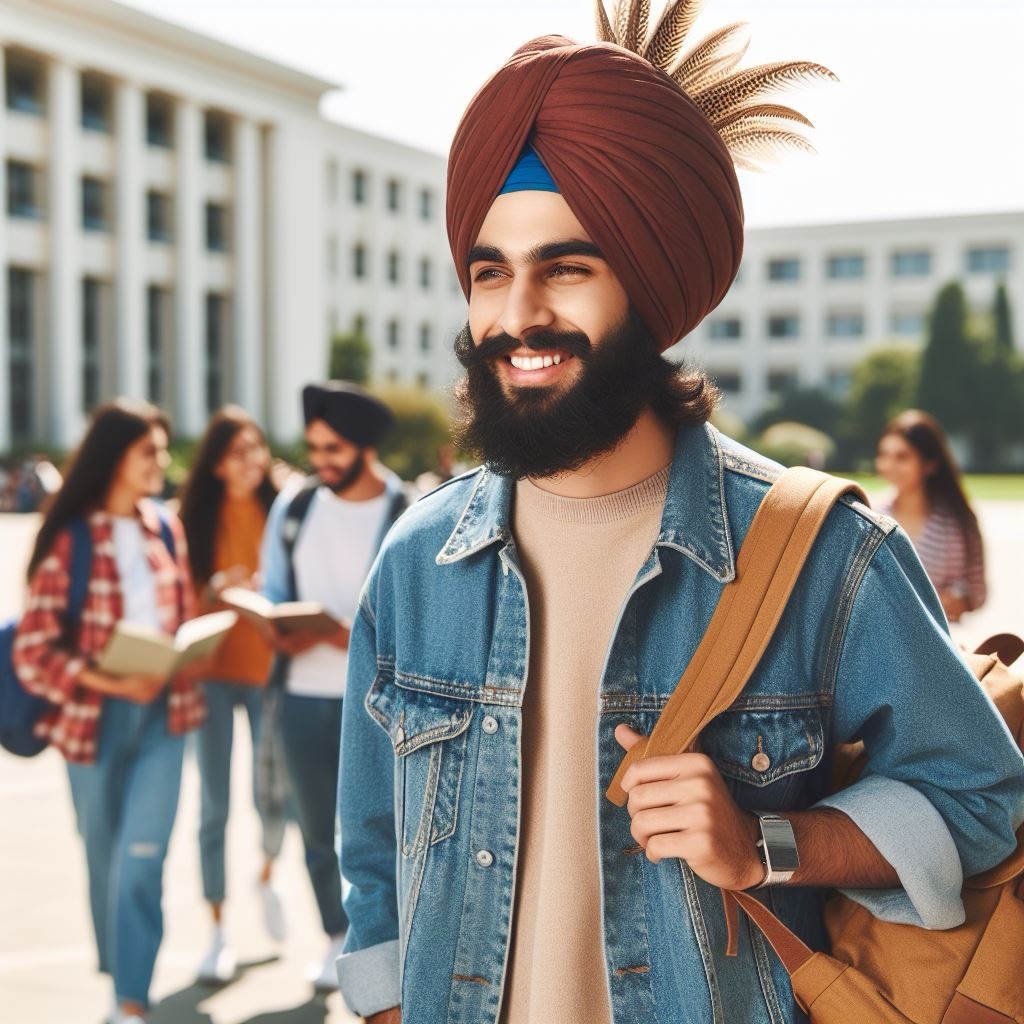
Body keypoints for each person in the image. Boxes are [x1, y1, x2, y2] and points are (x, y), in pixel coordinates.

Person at [335, 9, 1024, 1024]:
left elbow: (981, 800)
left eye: (565, 267)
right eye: (489, 271)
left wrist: (765, 843)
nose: (515, 315)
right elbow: (372, 865)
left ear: (653, 286)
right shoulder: (416, 561)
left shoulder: (828, 556)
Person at [14, 400, 205, 1024]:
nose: (160, 462)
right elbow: (34, 648)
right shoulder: (72, 538)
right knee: (103, 858)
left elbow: (177, 618)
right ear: (115, 456)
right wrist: (105, 679)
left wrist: (198, 637)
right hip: (91, 720)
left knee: (140, 859)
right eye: (148, 450)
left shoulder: (166, 529)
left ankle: (131, 1000)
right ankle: (117, 974)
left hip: (165, 717)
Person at [260, 381, 409, 990]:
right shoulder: (294, 508)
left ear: (365, 447)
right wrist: (276, 621)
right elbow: (272, 587)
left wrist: (346, 632)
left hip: (378, 708)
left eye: (333, 448)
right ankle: (332, 939)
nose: (319, 460)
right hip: (300, 698)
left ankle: (395, 946)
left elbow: (416, 618)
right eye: (314, 447)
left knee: (387, 834)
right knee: (318, 832)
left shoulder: (409, 514)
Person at [177, 407, 287, 982]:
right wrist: (215, 591)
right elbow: (178, 606)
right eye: (238, 452)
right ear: (217, 464)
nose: (251, 461)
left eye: (256, 448)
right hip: (213, 676)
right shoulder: (190, 518)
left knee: (274, 800)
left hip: (270, 674)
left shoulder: (284, 508)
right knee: (214, 807)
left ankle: (266, 877)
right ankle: (217, 928)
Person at [875, 410, 986, 622]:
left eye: (902, 456)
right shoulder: (871, 514)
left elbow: (976, 590)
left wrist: (956, 600)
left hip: (937, 644)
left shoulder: (957, 522)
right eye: (883, 455)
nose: (889, 465)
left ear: (930, 463)